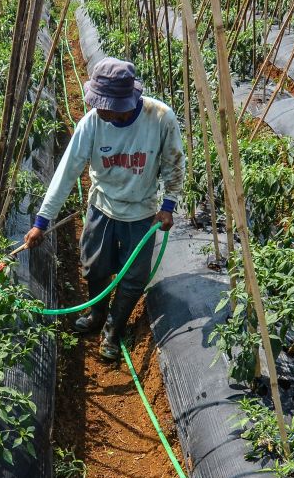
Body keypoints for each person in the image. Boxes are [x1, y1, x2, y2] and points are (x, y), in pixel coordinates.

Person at [23, 57, 185, 361]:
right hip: (101, 206)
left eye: (105, 104)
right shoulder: (93, 123)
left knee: (135, 278)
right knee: (94, 267)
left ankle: (113, 328)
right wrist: (42, 221)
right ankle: (97, 313)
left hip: (142, 212)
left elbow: (175, 163)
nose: (99, 108)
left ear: (126, 101)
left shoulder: (160, 117)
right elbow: (67, 171)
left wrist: (168, 205)